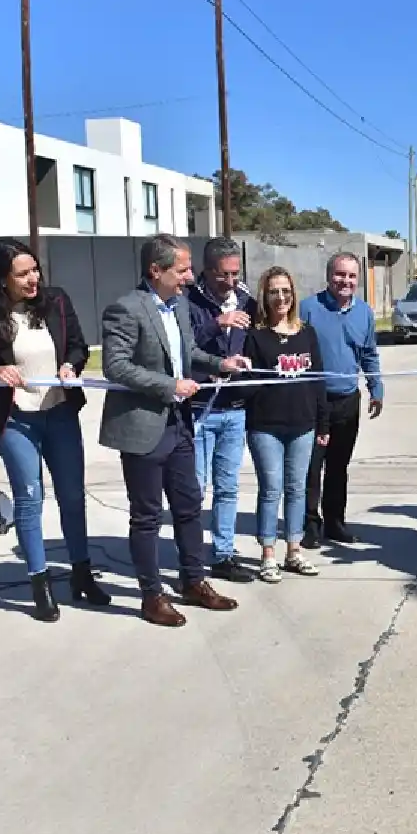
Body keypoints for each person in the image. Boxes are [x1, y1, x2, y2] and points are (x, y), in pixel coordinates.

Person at [0, 238, 109, 622]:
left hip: (60, 413)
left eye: (34, 269)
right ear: (2, 279)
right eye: (22, 274)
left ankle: (82, 573)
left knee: (72, 496)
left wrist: (70, 365)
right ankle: (41, 584)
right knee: (29, 497)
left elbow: (78, 346)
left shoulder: (56, 301)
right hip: (16, 419)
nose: (33, 278)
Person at [99, 233, 250, 627]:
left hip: (180, 424)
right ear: (156, 270)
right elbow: (115, 366)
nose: (189, 277)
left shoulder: (179, 305)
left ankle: (193, 582)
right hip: (142, 426)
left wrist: (221, 364)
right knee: (147, 516)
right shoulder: (125, 309)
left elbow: (189, 352)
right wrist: (170, 386)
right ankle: (152, 596)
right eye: (182, 270)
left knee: (188, 506)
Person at [242, 266, 328, 583]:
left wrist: (323, 423)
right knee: (271, 488)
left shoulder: (307, 333)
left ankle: (294, 550)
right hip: (266, 426)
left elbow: (318, 380)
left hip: (303, 425)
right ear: (265, 296)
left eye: (286, 291)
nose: (281, 297)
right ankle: (268, 554)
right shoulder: (256, 336)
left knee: (297, 488)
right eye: (274, 292)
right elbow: (248, 384)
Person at [299, 252, 384, 547]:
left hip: (347, 401)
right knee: (311, 468)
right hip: (313, 402)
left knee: (338, 467)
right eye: (339, 274)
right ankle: (310, 525)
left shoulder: (365, 313)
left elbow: (369, 354)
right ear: (328, 276)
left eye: (351, 276)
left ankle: (335, 523)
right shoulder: (308, 309)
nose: (345, 281)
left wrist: (376, 388)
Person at [187, 236, 258, 584]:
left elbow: (258, 341)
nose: (230, 281)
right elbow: (182, 345)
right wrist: (218, 323)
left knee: (228, 487)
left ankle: (224, 554)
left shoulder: (246, 299)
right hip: (199, 408)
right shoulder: (187, 299)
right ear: (207, 270)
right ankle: (190, 558)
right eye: (223, 275)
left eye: (235, 274)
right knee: (194, 489)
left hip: (234, 408)